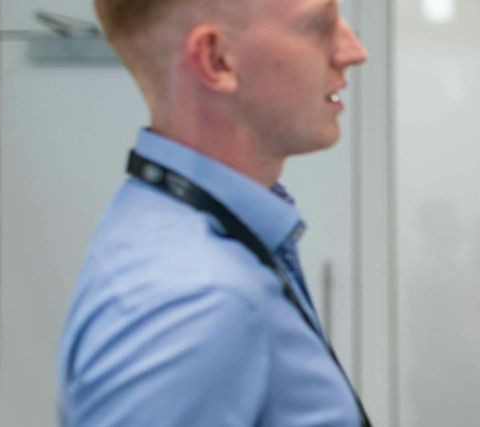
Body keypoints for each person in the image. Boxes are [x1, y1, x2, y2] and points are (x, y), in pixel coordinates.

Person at [57, 0, 369, 424]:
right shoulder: (193, 302)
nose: (353, 51)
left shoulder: (186, 232)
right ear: (216, 60)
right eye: (319, 24)